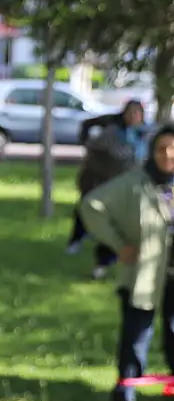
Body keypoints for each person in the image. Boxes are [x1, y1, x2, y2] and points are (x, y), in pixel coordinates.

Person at [79, 126, 174, 401]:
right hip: (143, 275)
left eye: (172, 148)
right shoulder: (136, 183)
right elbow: (91, 205)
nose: (168, 155)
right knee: (136, 336)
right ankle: (124, 397)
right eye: (161, 148)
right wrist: (119, 245)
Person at [71, 100, 148, 279]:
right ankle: (102, 265)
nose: (133, 116)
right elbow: (92, 151)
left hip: (138, 189)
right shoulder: (112, 134)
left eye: (137, 113)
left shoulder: (146, 136)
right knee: (113, 227)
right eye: (130, 112)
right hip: (113, 188)